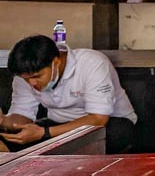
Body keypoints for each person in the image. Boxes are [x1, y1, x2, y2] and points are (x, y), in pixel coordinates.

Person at [0, 35, 137, 153]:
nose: (32, 83)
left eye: (37, 76)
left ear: (56, 62)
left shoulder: (92, 63)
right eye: (26, 79)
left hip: (110, 124)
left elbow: (98, 119)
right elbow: (22, 116)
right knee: (8, 139)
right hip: (56, 126)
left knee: (107, 136)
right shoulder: (25, 75)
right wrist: (5, 122)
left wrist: (44, 133)